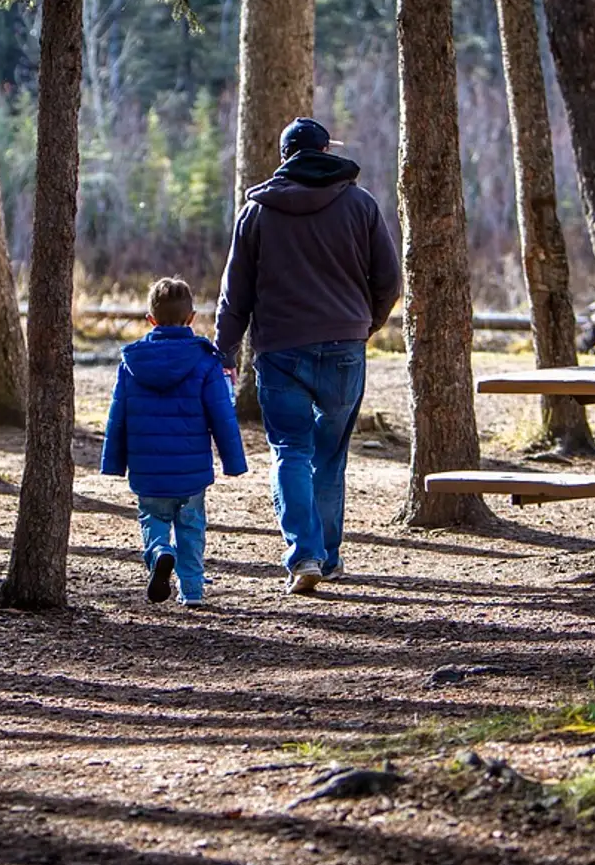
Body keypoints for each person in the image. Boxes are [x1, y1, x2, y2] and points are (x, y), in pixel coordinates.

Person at [216, 118, 401, 595]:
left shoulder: (256, 213)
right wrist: (365, 324)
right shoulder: (360, 205)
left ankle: (305, 556)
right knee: (329, 457)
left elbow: (234, 294)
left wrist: (225, 349)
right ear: (324, 151)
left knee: (290, 453)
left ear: (285, 157)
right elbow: (389, 280)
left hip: (279, 351)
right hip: (344, 347)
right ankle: (329, 557)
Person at [101, 278, 249, 607]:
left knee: (152, 517)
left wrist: (113, 462)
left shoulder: (132, 363)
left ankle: (158, 552)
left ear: (150, 320)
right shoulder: (206, 361)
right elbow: (221, 414)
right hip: (191, 469)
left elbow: (118, 415)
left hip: (147, 468)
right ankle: (192, 591)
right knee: (191, 526)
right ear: (191, 317)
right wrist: (233, 461)